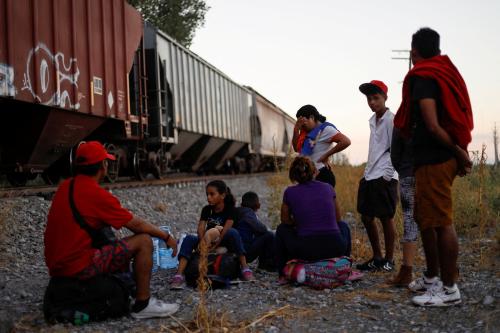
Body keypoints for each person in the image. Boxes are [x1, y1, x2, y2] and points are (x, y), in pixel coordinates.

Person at [44, 141, 179, 319]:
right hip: (78, 267)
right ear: (103, 166)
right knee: (144, 241)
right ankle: (143, 305)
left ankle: (127, 289)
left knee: (106, 232)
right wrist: (166, 236)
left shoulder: (65, 187)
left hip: (57, 268)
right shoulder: (97, 195)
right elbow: (136, 225)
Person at [394, 27, 473, 306]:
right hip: (430, 159)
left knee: (440, 222)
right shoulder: (440, 70)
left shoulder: (424, 77)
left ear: (414, 51)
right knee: (425, 218)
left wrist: (459, 153)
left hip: (436, 158)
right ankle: (432, 279)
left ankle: (449, 290)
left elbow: (432, 123)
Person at [275, 156, 351, 282]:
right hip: (335, 248)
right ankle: (344, 266)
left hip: (306, 251)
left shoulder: (289, 192)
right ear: (315, 172)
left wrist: (299, 222)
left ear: (293, 174)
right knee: (344, 226)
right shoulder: (328, 188)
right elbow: (338, 219)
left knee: (281, 229)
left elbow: (285, 221)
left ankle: (282, 273)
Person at [170, 180, 254, 289]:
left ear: (222, 195)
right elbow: (201, 228)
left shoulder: (231, 210)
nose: (208, 197)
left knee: (233, 232)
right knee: (189, 238)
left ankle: (245, 268)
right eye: (207, 194)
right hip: (207, 239)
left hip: (224, 239)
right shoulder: (206, 209)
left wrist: (215, 245)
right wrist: (203, 242)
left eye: (212, 194)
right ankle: (179, 274)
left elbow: (225, 230)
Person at [356, 80, 399, 272]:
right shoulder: (373, 121)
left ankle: (389, 260)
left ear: (385, 98)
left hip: (384, 175)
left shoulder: (391, 119)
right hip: (370, 173)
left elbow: (395, 149)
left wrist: (388, 176)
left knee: (386, 217)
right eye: (368, 99)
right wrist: (367, 173)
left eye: (376, 98)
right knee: (366, 217)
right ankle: (377, 257)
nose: (372, 102)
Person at [292, 104, 351, 188]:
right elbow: (296, 148)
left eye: (303, 124)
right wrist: (296, 130)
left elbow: (346, 141)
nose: (302, 126)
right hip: (308, 176)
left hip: (322, 175)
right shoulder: (305, 133)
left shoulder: (326, 129)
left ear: (312, 117)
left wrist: (326, 155)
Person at [387, 127, 418, 286]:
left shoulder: (403, 116)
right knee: (437, 221)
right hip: (432, 173)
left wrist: (404, 170)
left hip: (408, 174)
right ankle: (442, 273)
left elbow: (395, 154)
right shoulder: (436, 110)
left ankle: (407, 271)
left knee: (410, 221)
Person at [234, 192, 276, 271]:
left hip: (235, 250)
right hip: (245, 251)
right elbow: (262, 229)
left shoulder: (237, 211)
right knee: (269, 235)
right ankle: (266, 265)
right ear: (256, 204)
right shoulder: (248, 213)